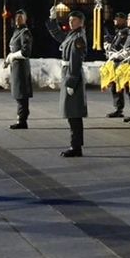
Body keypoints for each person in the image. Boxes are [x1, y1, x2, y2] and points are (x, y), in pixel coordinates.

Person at [47, 9, 88, 157]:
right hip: (69, 74)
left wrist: (71, 82)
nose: (71, 22)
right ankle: (75, 145)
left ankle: (76, 146)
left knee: (74, 114)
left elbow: (76, 62)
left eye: (74, 20)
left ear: (81, 22)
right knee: (71, 114)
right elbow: (59, 35)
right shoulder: (72, 35)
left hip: (73, 77)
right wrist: (52, 20)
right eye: (70, 20)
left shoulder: (78, 38)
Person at [4, 9, 33, 129]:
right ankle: (21, 118)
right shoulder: (18, 31)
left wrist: (12, 56)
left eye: (20, 17)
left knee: (21, 94)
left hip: (21, 68)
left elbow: (25, 52)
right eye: (16, 17)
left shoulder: (25, 32)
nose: (18, 19)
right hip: (15, 67)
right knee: (18, 93)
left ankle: (22, 120)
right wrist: (8, 60)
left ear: (25, 19)